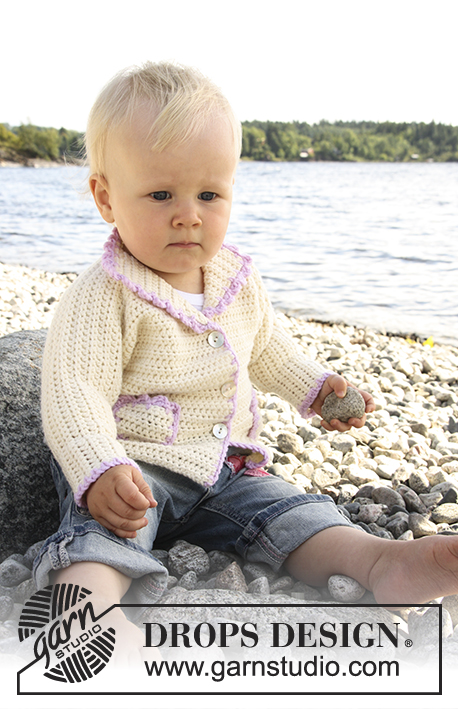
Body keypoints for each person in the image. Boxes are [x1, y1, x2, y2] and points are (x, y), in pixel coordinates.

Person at [34, 61, 458, 662]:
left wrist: (315, 387)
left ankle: (378, 560)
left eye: (209, 194)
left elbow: (265, 349)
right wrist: (97, 467)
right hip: (135, 468)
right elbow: (73, 390)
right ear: (106, 197)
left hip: (226, 469)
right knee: (102, 535)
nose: (189, 214)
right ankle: (81, 614)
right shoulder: (103, 295)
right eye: (161, 195)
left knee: (289, 511)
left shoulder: (236, 279)